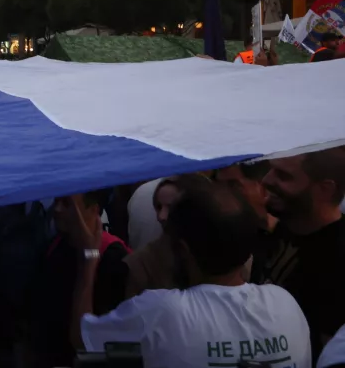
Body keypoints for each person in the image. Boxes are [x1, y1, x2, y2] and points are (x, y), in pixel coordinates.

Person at [78, 184, 312, 368]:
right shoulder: (285, 304)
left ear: (182, 249)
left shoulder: (162, 311)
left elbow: (83, 339)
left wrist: (90, 255)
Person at [24, 190, 129, 368]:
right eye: (56, 201)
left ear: (93, 210)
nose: (57, 209)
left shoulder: (112, 256)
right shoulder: (56, 246)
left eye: (67, 204)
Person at [259, 147, 345, 360]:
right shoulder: (285, 226)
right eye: (271, 170)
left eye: (283, 176)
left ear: (325, 189)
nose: (266, 180)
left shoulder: (339, 257)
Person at [124, 175, 212, 298]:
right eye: (158, 207)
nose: (161, 216)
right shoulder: (142, 263)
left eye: (170, 207)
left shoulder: (218, 252)